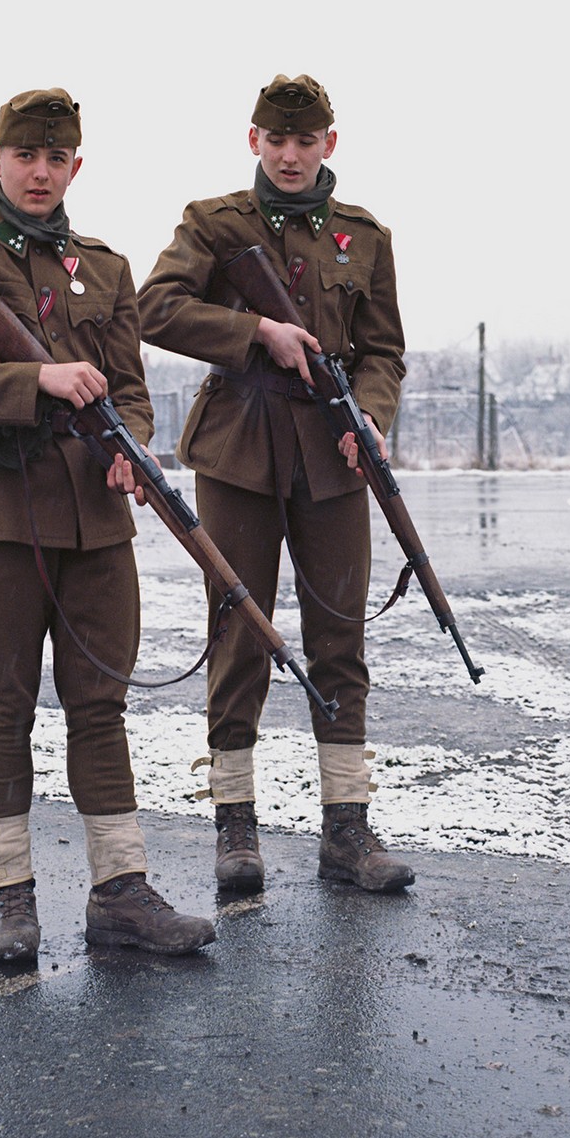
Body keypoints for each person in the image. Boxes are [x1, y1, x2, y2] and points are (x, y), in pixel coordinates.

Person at [0, 87, 215, 961]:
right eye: (24, 156)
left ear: (77, 165)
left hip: (93, 518)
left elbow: (131, 389)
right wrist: (31, 382)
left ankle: (119, 892)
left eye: (56, 158)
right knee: (0, 707)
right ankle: (8, 899)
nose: (40, 173)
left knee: (100, 705)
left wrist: (133, 450)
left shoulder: (106, 270)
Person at [137, 74, 414, 895]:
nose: (290, 155)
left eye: (306, 140)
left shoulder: (365, 236)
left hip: (334, 457)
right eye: (276, 139)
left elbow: (384, 350)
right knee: (239, 634)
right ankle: (235, 829)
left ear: (330, 144)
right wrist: (255, 329)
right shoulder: (214, 223)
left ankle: (346, 830)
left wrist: (369, 414)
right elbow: (155, 307)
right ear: (253, 140)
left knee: (340, 642)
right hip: (239, 453)